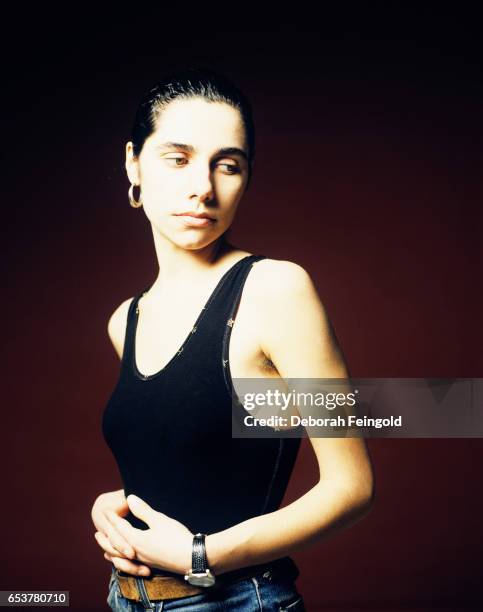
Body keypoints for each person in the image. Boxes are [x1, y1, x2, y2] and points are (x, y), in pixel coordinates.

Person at [90, 66, 375, 611]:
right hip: (124, 599)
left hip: (236, 601)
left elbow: (352, 486)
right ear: (134, 163)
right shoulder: (125, 319)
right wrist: (117, 507)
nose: (202, 187)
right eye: (178, 158)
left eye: (228, 165)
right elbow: (184, 463)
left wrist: (203, 553)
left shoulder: (276, 290)